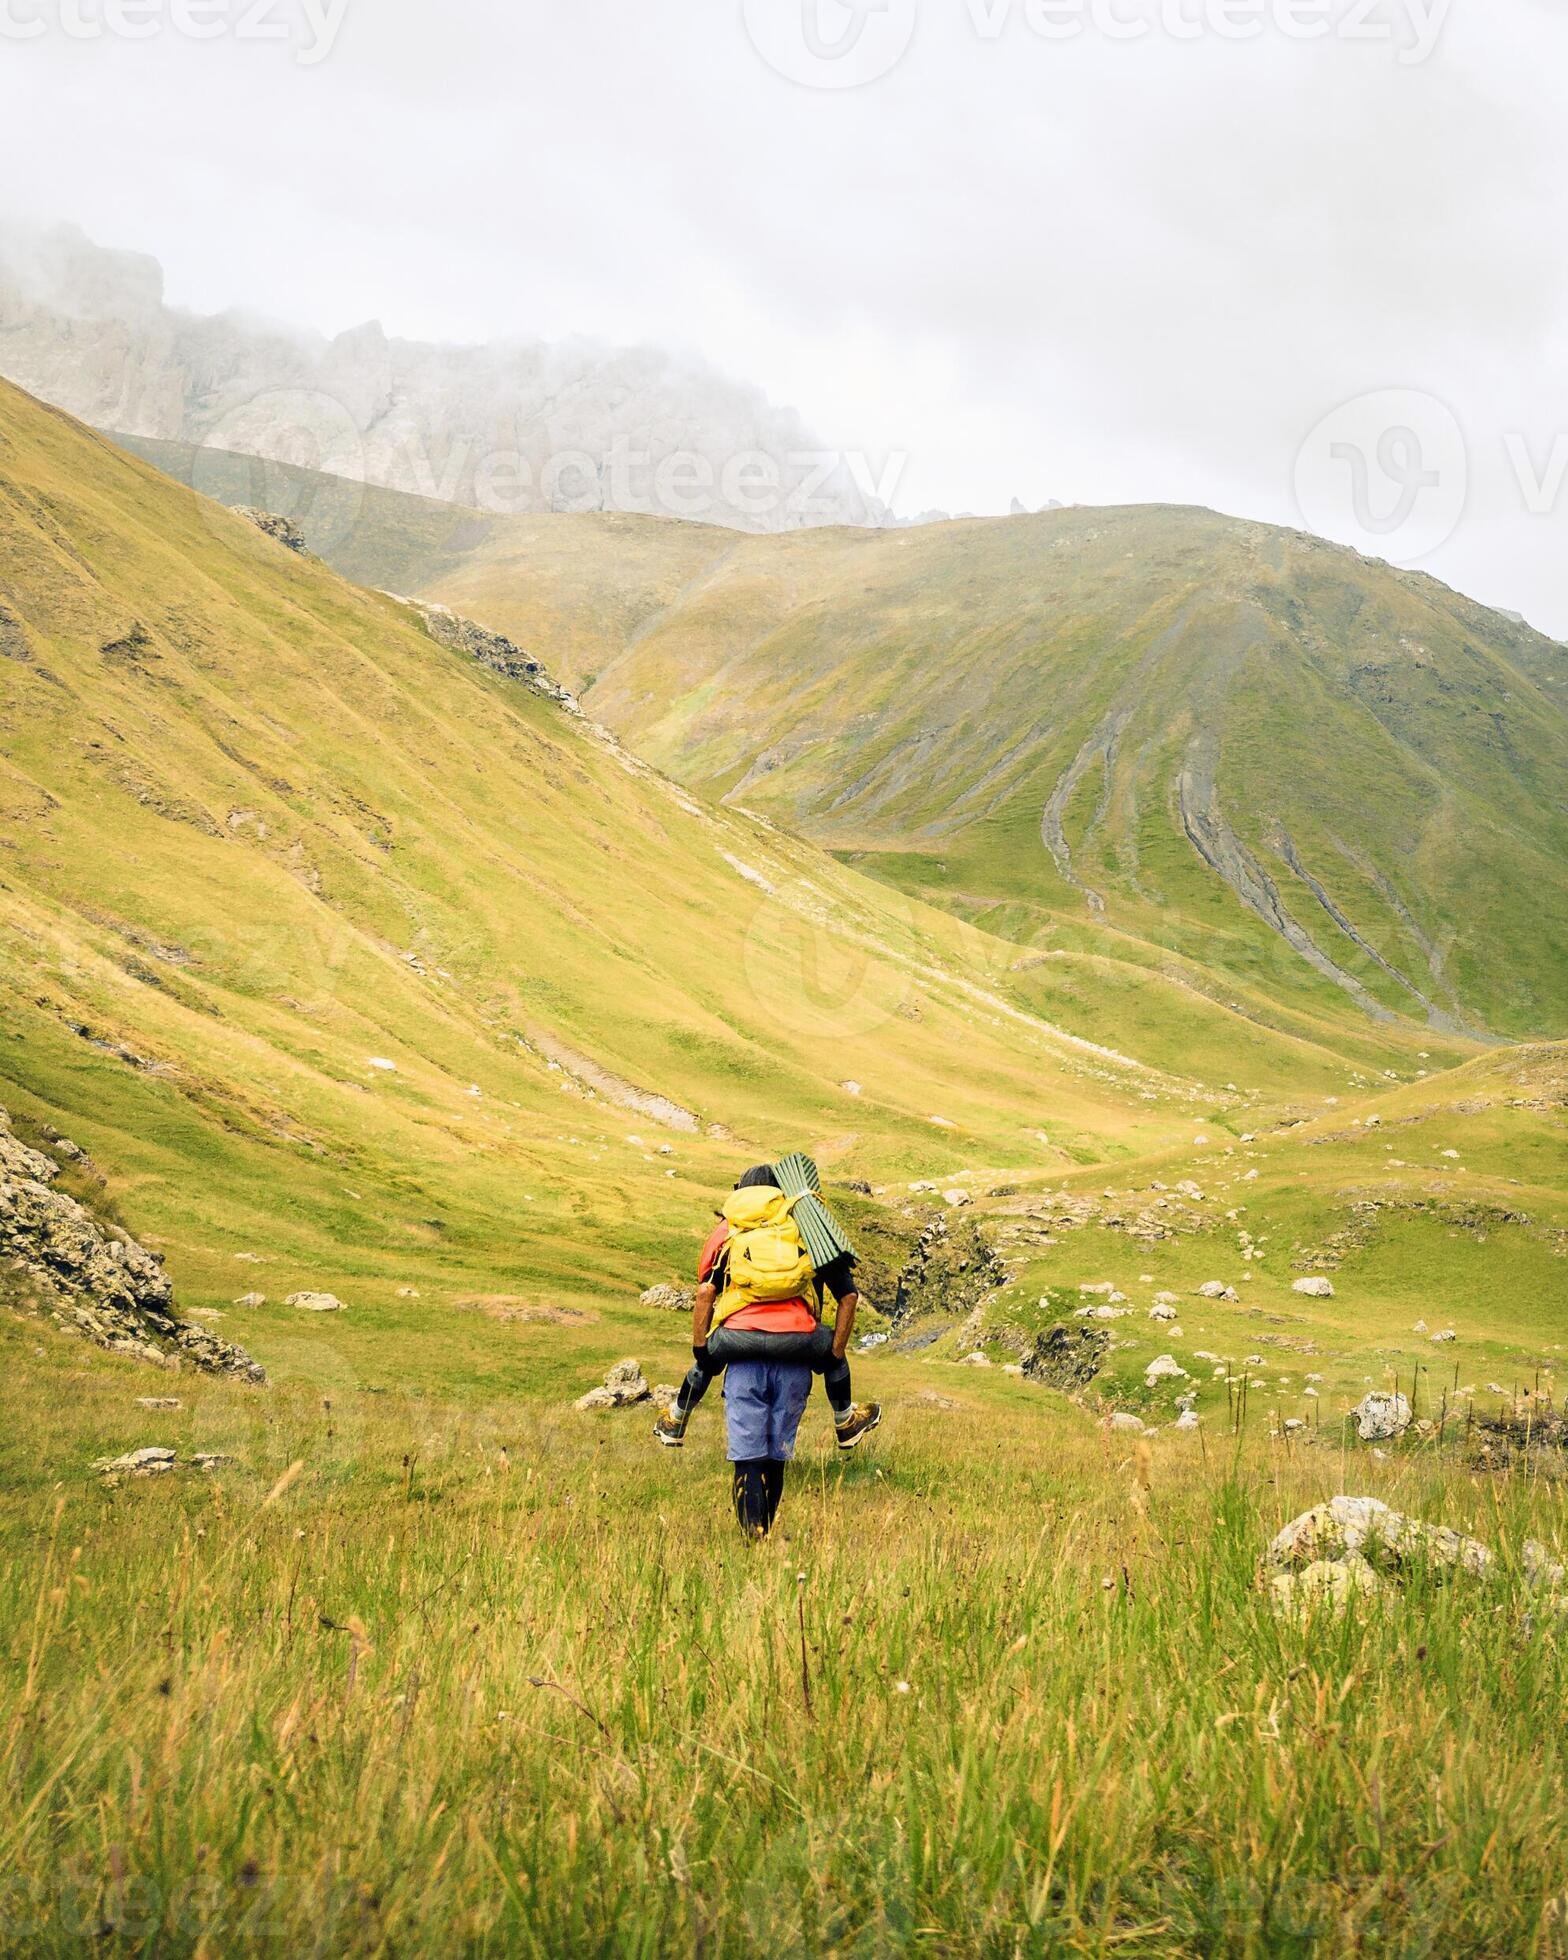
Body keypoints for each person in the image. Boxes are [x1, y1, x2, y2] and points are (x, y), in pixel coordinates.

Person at [652, 1163, 881, 1454]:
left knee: (707, 1358)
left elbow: (705, 1290)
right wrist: (833, 1355)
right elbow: (848, 1297)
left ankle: (677, 1419)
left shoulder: (730, 1227)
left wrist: (702, 1350)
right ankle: (845, 1421)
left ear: (741, 1191)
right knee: (835, 1355)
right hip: (801, 1338)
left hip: (736, 1338)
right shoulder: (804, 1226)